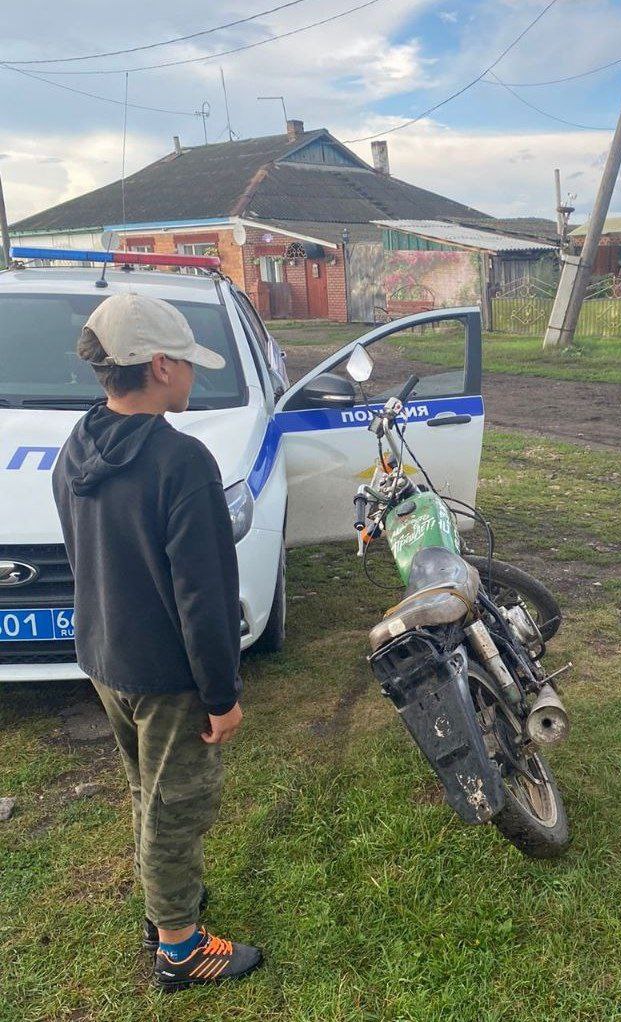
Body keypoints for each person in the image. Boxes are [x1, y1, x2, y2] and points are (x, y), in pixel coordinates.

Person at [52, 292, 263, 990]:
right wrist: (222, 694)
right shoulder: (181, 462)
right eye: (190, 365)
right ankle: (178, 945)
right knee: (178, 804)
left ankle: (159, 905)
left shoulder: (78, 445)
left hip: (107, 658)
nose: (194, 378)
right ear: (162, 365)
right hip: (168, 673)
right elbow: (201, 597)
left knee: (147, 788)